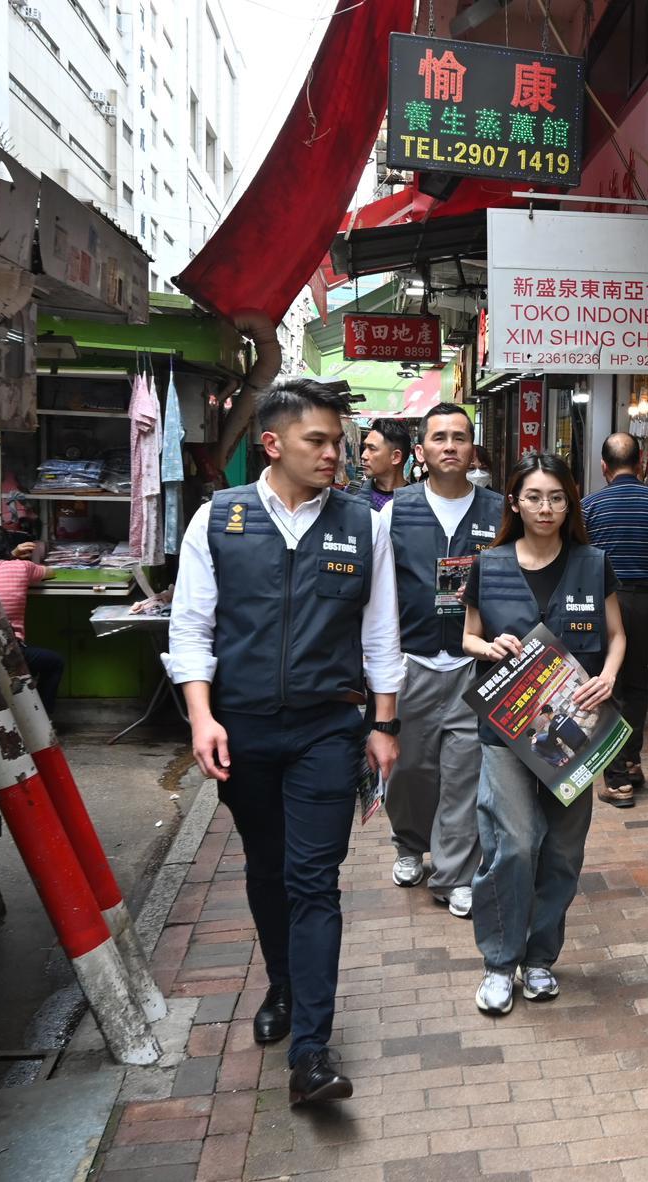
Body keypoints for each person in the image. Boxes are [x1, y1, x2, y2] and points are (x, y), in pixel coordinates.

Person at [166, 378, 402, 1106]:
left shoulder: (366, 524)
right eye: (320, 442)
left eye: (340, 442)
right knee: (267, 868)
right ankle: (282, 986)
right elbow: (191, 629)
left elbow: (381, 633)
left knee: (312, 879)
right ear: (273, 444)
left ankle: (312, 1052)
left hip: (328, 728)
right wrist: (202, 718)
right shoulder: (218, 521)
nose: (337, 455)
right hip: (242, 728)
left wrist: (385, 725)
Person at [461, 451, 625, 1015]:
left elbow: (617, 634)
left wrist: (608, 674)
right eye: (534, 496)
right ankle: (499, 963)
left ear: (570, 502)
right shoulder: (489, 564)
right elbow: (468, 636)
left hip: (573, 728)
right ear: (515, 502)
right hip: (506, 730)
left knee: (560, 849)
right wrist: (489, 647)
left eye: (556, 497)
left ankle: (539, 960)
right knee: (515, 841)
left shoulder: (593, 561)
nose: (546, 507)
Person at [380, 404, 504, 917]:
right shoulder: (395, 511)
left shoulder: (499, 511)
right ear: (421, 451)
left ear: (473, 448)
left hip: (476, 665)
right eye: (439, 437)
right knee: (410, 770)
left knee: (463, 775)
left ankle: (454, 873)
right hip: (412, 662)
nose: (450, 445)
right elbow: (378, 595)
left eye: (460, 436)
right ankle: (409, 844)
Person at [580, 432, 648, 808]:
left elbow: (578, 560)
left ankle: (617, 779)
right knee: (639, 682)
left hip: (604, 604)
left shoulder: (589, 506)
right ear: (641, 464)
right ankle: (630, 759)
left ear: (603, 466)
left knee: (609, 685)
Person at [0, 531, 65, 715]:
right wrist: (14, 557)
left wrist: (11, 554)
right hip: (9, 649)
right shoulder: (21, 567)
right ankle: (43, 719)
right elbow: (50, 572)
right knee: (55, 662)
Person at [357, 417, 411, 510]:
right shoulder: (353, 495)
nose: (363, 455)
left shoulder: (418, 502)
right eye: (364, 447)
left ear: (396, 457)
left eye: (372, 448)